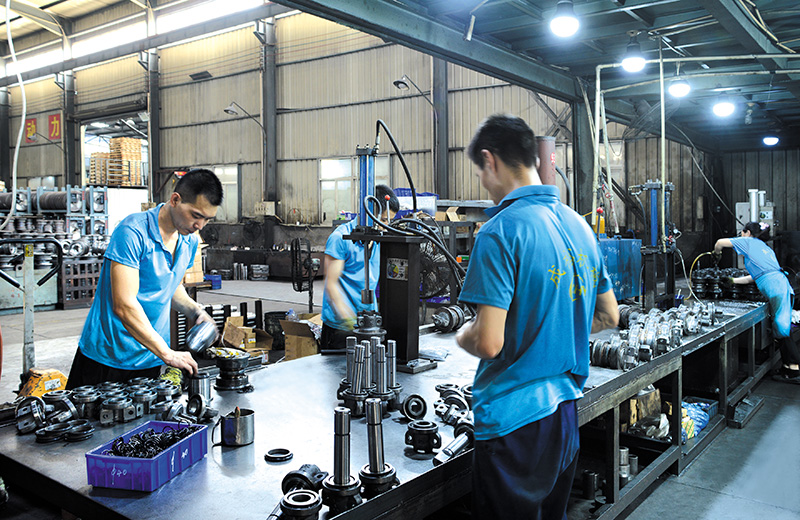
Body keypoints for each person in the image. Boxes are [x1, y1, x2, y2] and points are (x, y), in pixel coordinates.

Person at [455, 114, 619, 518]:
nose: (483, 183)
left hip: (514, 425)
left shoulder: (499, 231)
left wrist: (463, 334)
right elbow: (609, 315)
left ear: (490, 160)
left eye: (480, 173)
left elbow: (488, 342)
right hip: (564, 414)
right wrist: (553, 331)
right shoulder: (580, 226)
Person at [66, 169, 223, 388]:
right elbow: (124, 305)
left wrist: (196, 312)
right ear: (175, 200)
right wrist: (168, 353)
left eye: (207, 219)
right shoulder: (132, 232)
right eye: (196, 215)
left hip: (149, 356)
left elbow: (170, 285)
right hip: (107, 356)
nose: (200, 226)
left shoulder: (189, 241)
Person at [715, 222, 798, 383]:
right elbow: (756, 276)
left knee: (782, 329)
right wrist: (732, 281)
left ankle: (795, 370)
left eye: (742, 232)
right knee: (781, 329)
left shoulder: (748, 241)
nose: (741, 235)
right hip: (780, 286)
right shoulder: (765, 248)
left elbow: (719, 242)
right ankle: (787, 368)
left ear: (747, 233)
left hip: (776, 288)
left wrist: (716, 254)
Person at [321, 185, 399, 349]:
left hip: (369, 323)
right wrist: (347, 318)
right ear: (370, 212)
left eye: (390, 221)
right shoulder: (340, 238)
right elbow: (331, 284)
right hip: (340, 327)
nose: (386, 225)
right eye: (384, 220)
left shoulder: (379, 238)